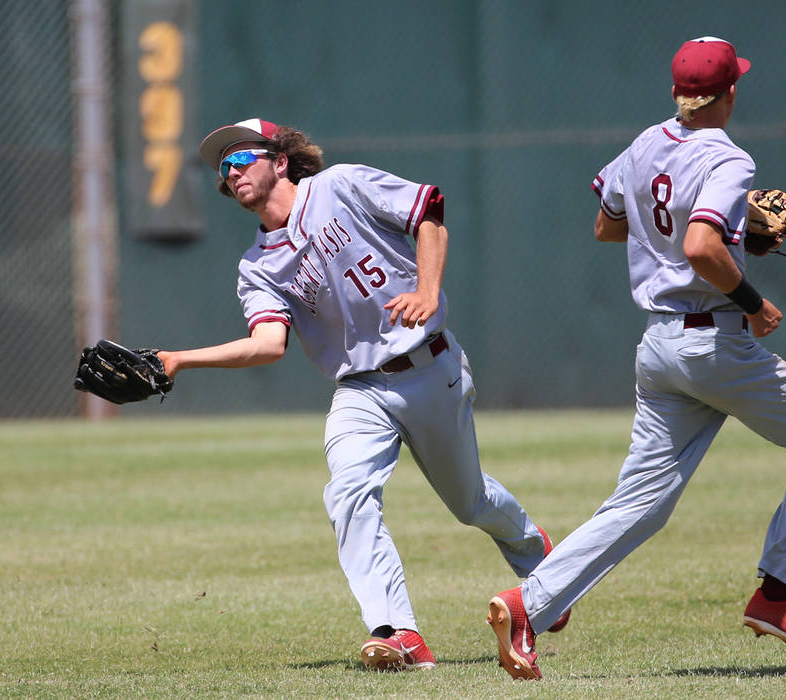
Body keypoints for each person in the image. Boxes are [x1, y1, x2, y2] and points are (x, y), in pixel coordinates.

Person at [486, 37, 786, 680]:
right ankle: (774, 595)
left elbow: (607, 225)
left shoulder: (643, 143)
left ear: (679, 94)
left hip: (657, 347)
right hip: (713, 343)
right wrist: (752, 298)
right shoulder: (730, 159)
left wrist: (728, 235)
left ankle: (527, 605)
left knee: (641, 503)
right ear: (731, 91)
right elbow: (702, 245)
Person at [158, 118, 567, 671]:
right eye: (223, 168)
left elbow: (429, 212)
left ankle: (535, 551)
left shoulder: (340, 186)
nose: (232, 173)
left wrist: (427, 289)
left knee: (469, 502)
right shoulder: (256, 266)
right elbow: (269, 342)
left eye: (242, 158)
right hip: (359, 388)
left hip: (429, 367)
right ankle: (398, 632)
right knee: (348, 493)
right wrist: (181, 359)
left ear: (279, 160)